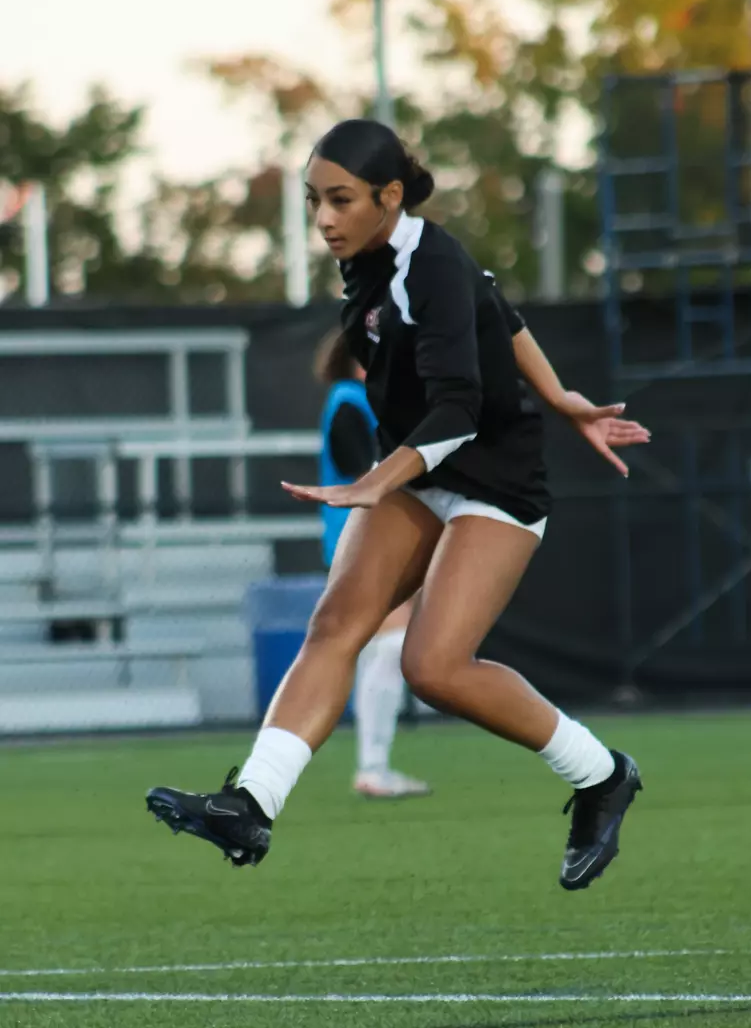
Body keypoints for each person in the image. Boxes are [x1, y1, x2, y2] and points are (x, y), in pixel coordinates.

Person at [147, 118, 651, 892]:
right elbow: (501, 311)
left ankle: (602, 773)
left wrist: (378, 481)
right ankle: (251, 803)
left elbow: (461, 407)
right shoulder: (383, 259)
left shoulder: (429, 265)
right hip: (421, 468)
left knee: (434, 667)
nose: (323, 219)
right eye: (314, 200)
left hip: (495, 479)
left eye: (341, 200)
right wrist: (561, 396)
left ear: (389, 196)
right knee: (336, 624)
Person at [314, 327, 430, 799]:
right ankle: (373, 767)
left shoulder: (370, 403)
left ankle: (373, 765)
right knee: (390, 646)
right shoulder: (348, 400)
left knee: (376, 652)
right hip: (364, 545)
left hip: (372, 544)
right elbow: (367, 476)